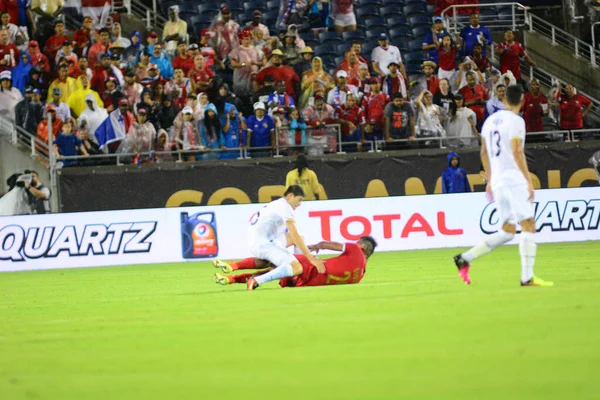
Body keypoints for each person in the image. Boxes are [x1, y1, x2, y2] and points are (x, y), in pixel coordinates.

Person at [454, 85, 554, 287]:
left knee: (508, 230)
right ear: (522, 101)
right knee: (528, 224)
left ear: (504, 100)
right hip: (513, 179)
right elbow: (517, 151)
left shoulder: (489, 121)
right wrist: (527, 180)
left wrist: (490, 179)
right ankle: (527, 276)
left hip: (498, 181)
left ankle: (465, 258)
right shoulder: (517, 121)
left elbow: (483, 152)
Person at [242, 185, 325, 291]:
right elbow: (294, 234)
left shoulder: (277, 204)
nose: (299, 204)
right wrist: (311, 258)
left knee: (300, 237)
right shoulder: (285, 207)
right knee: (296, 267)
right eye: (299, 200)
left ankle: (298, 273)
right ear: (290, 196)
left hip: (264, 240)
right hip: (264, 245)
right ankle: (257, 280)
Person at [214, 236, 377, 288]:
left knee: (271, 260)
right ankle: (231, 279)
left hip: (310, 267)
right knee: (274, 270)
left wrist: (316, 247)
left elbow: (328, 244)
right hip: (305, 283)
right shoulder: (360, 276)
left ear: (362, 246)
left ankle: (233, 267)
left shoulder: (356, 250)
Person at [229, 30, 264, 99]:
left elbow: (262, 62)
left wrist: (255, 63)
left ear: (250, 39)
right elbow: (233, 64)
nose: (246, 41)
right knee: (241, 97)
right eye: (244, 39)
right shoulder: (236, 50)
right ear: (241, 40)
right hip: (240, 78)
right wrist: (244, 64)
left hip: (253, 78)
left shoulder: (256, 50)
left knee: (253, 96)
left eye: (248, 39)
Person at [302, 92, 336, 156]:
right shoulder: (310, 109)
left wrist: (324, 123)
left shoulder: (328, 108)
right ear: (314, 101)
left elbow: (332, 119)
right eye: (317, 100)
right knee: (312, 155)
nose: (319, 102)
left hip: (323, 136)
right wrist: (315, 123)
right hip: (311, 137)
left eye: (321, 100)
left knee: (321, 156)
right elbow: (305, 120)